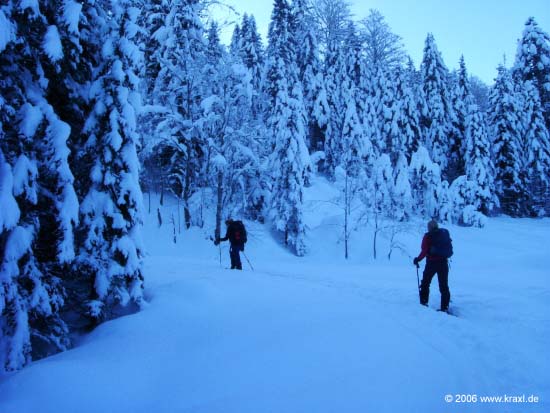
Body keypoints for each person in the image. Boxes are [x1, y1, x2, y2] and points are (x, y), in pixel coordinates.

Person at [413, 220, 452, 312]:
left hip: (431, 263)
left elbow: (424, 251)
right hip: (443, 263)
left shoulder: (428, 236)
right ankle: (444, 307)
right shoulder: (444, 235)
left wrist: (418, 259)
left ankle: (423, 303)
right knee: (444, 285)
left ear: (429, 227)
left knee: (425, 283)